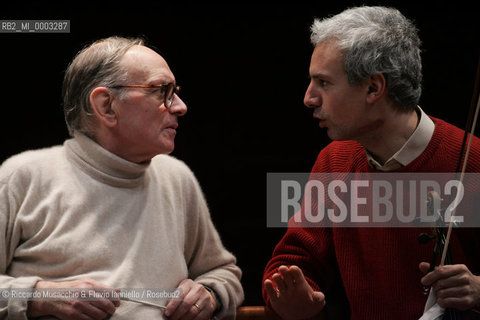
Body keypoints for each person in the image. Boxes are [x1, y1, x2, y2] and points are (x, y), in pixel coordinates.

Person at [0, 36, 244, 320]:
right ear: (106, 106)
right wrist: (39, 297)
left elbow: (223, 273)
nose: (180, 106)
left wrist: (209, 293)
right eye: (161, 91)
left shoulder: (177, 178)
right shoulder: (21, 177)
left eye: (175, 91)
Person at [262, 6, 480, 320]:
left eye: (323, 83)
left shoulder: (471, 162)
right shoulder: (334, 162)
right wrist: (293, 295)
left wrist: (477, 289)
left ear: (373, 88)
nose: (309, 98)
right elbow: (293, 261)